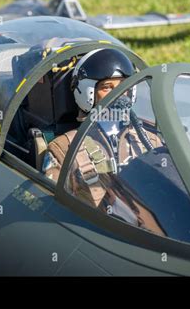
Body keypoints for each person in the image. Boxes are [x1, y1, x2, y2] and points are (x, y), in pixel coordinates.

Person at [41, 48, 165, 235]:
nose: (119, 94)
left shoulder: (150, 139)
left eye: (124, 86)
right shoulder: (65, 149)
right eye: (107, 87)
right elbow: (52, 214)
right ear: (88, 93)